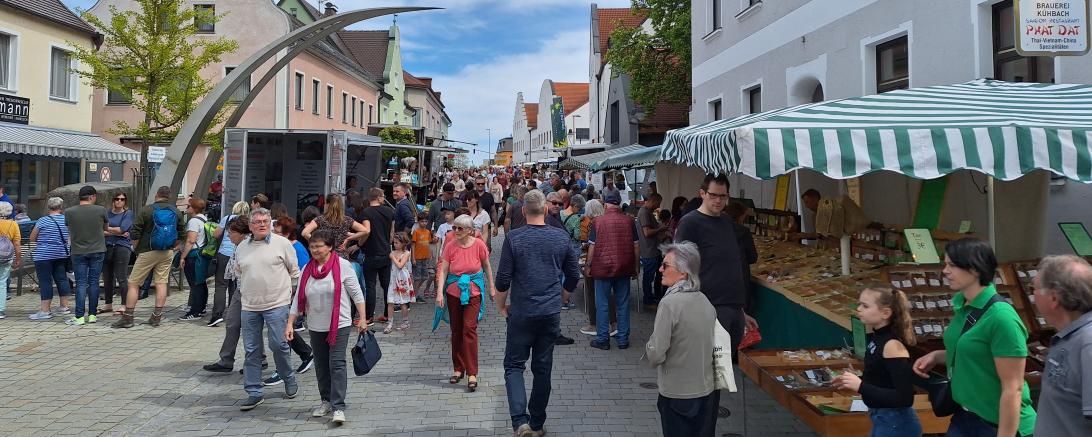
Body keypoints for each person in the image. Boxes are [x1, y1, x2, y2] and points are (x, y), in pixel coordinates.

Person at [912, 238, 1036, 437]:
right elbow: (976, 352)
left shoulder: (1001, 318)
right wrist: (937, 356)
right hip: (964, 417)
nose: (945, 271)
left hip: (997, 426)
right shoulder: (963, 306)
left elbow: (1013, 388)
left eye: (952, 265)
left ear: (975, 269)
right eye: (945, 264)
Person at [495, 189, 580, 437]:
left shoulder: (514, 238)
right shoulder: (560, 237)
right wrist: (563, 295)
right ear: (545, 209)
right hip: (550, 311)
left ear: (523, 210)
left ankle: (521, 422)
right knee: (543, 368)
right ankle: (537, 423)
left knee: (513, 365)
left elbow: (503, 278)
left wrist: (501, 305)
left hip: (522, 311)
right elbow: (574, 274)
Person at [286, 230, 367, 425]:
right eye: (312, 246)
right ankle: (326, 401)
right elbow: (298, 298)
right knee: (321, 365)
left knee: (336, 363)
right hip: (315, 324)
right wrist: (290, 322)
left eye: (318, 246)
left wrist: (363, 318)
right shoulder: (307, 268)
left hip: (339, 323)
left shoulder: (343, 266)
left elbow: (357, 294)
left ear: (329, 247)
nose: (314, 249)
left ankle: (338, 406)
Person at [674, 174, 758, 363]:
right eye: (713, 195)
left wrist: (741, 311)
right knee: (707, 373)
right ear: (702, 193)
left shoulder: (727, 222)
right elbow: (679, 268)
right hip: (707, 309)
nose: (719, 200)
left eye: (723, 196)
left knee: (720, 373)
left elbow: (728, 265)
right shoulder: (690, 222)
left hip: (733, 309)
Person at [643, 241, 717, 437]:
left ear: (683, 272)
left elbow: (656, 353)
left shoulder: (670, 303)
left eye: (665, 265)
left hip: (678, 393)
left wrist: (649, 349)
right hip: (706, 390)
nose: (660, 269)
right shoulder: (704, 299)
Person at [235, 208, 301, 411]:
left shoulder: (282, 244)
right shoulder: (241, 248)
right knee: (252, 349)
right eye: (258, 222)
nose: (262, 224)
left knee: (279, 345)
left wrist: (292, 300)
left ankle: (288, 378)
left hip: (277, 304)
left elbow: (294, 272)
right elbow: (239, 274)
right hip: (249, 306)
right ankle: (254, 391)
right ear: (250, 226)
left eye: (266, 221)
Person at [833, 288, 921, 437]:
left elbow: (904, 397)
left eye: (865, 306)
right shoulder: (878, 338)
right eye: (859, 304)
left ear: (885, 313)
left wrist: (860, 386)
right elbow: (881, 380)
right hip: (882, 419)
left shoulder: (892, 346)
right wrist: (854, 381)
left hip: (895, 423)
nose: (859, 309)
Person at [1031, 255, 1092, 436]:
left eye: (1033, 288)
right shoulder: (1071, 337)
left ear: (1054, 298)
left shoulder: (1088, 343)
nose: (1032, 295)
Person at [436, 214, 494, 393]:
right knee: (456, 330)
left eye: (460, 228)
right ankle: (458, 368)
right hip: (453, 292)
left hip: (473, 292)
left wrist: (492, 287)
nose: (456, 231)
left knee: (469, 329)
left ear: (470, 230)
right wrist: (439, 292)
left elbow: (486, 266)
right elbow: (444, 269)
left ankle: (472, 372)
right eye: (454, 228)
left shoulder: (478, 245)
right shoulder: (450, 246)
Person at [585, 192, 638, 351]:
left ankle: (603, 339)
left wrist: (588, 265)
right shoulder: (629, 221)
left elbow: (592, 246)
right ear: (619, 203)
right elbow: (636, 245)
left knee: (602, 304)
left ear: (605, 204)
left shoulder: (598, 221)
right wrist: (636, 266)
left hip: (602, 267)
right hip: (624, 266)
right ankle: (622, 339)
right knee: (623, 303)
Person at [202, 216, 254, 374]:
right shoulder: (238, 247)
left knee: (251, 327)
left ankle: (259, 360)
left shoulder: (249, 247)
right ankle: (226, 360)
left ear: (241, 234)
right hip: (240, 291)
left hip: (252, 293)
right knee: (232, 323)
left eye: (231, 233)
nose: (229, 236)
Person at [64, 186, 108, 326]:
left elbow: (68, 227)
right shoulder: (101, 210)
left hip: (78, 251)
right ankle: (93, 315)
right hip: (98, 250)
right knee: (94, 282)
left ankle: (79, 317)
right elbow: (105, 228)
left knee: (81, 283)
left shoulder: (69, 212)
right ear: (92, 197)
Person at [28, 197, 72, 320]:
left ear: (49, 207)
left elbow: (32, 237)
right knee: (62, 279)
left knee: (45, 281)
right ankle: (64, 307)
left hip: (44, 255)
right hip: (61, 254)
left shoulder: (42, 221)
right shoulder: (66, 220)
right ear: (61, 207)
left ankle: (45, 310)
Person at [209, 201, 250, 327]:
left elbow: (216, 234)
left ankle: (217, 315)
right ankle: (234, 315)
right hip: (241, 253)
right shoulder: (247, 221)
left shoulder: (227, 219)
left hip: (224, 254)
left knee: (221, 285)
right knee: (235, 286)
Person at [358, 188, 395, 324]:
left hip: (371, 253)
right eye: (383, 196)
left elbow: (366, 232)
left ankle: (368, 317)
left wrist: (359, 244)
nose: (384, 198)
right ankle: (387, 314)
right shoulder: (390, 212)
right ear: (378, 197)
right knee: (386, 285)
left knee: (370, 285)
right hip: (385, 252)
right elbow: (392, 233)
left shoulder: (366, 213)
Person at [301, 194, 369, 261]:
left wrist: (319, 244)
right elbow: (365, 231)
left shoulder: (320, 220)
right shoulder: (346, 220)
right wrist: (349, 238)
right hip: (341, 258)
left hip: (325, 257)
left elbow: (305, 233)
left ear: (327, 205)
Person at [179, 198, 213, 320]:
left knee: (195, 284)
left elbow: (191, 240)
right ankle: (202, 307)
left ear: (193, 208)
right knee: (201, 282)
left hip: (194, 255)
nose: (187, 208)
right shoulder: (203, 219)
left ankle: (195, 311)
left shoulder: (193, 221)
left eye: (188, 206)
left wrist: (183, 257)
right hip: (202, 253)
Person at [101, 192, 133, 313]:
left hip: (122, 247)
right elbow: (100, 229)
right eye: (117, 199)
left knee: (122, 276)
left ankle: (124, 304)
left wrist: (108, 229)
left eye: (122, 199)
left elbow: (123, 228)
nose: (120, 201)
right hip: (107, 246)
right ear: (113, 200)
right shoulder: (107, 213)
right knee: (107, 277)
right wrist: (116, 232)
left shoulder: (128, 213)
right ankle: (108, 304)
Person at [725, 202, 758, 315]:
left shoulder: (717, 229)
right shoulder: (743, 231)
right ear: (740, 215)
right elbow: (753, 257)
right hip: (740, 276)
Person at [638, 193, 668, 309]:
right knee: (648, 277)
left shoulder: (646, 212)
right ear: (654, 201)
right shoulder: (645, 212)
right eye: (658, 203)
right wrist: (660, 228)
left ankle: (651, 298)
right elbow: (647, 233)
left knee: (652, 276)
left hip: (652, 249)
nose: (658, 206)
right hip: (649, 250)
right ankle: (648, 301)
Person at [383, 232, 414, 334]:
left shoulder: (406, 253)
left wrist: (393, 257)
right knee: (390, 301)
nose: (395, 244)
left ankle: (405, 322)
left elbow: (400, 265)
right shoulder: (392, 252)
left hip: (402, 279)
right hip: (393, 279)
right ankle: (390, 323)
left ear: (403, 243)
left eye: (397, 243)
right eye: (394, 242)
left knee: (403, 302)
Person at [0, 202, 21, 319]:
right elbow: (17, 244)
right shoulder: (13, 225)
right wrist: (18, 258)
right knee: (2, 282)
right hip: (6, 256)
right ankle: (1, 310)